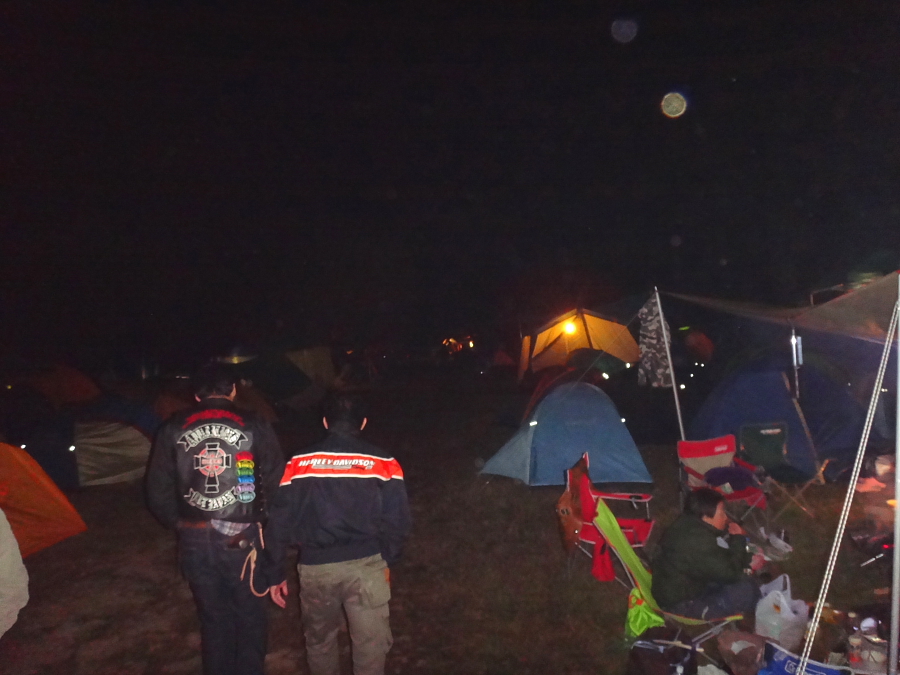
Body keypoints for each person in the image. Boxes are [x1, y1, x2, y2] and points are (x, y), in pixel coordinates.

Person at [146, 365, 284, 675]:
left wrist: (180, 524)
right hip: (242, 537)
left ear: (196, 395)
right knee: (250, 616)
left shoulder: (173, 426)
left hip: (194, 537)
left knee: (212, 618)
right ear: (233, 390)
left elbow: (157, 489)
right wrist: (264, 520)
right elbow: (276, 480)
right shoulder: (255, 423)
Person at [264, 394, 411, 675]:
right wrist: (388, 558)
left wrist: (274, 572)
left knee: (320, 643)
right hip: (367, 567)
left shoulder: (298, 463)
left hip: (316, 569)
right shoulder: (385, 463)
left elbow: (279, 520)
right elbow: (398, 520)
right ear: (363, 423)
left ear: (325, 422)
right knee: (371, 644)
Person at [652, 488, 759, 619]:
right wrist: (739, 539)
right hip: (680, 604)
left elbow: (719, 561)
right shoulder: (700, 542)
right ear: (706, 517)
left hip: (680, 585)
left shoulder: (687, 523)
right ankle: (758, 610)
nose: (726, 518)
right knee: (747, 590)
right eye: (722, 513)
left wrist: (744, 556)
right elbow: (731, 573)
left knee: (743, 578)